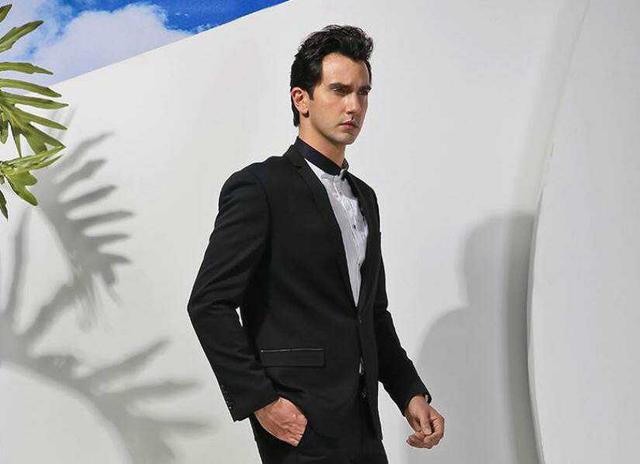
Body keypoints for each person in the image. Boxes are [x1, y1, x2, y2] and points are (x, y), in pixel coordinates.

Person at [187, 24, 444, 463]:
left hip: (363, 423)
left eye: (363, 93)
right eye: (339, 90)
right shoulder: (260, 187)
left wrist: (410, 394)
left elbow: (372, 313)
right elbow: (208, 303)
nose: (354, 106)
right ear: (301, 99)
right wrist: (262, 403)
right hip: (298, 425)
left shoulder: (365, 198)